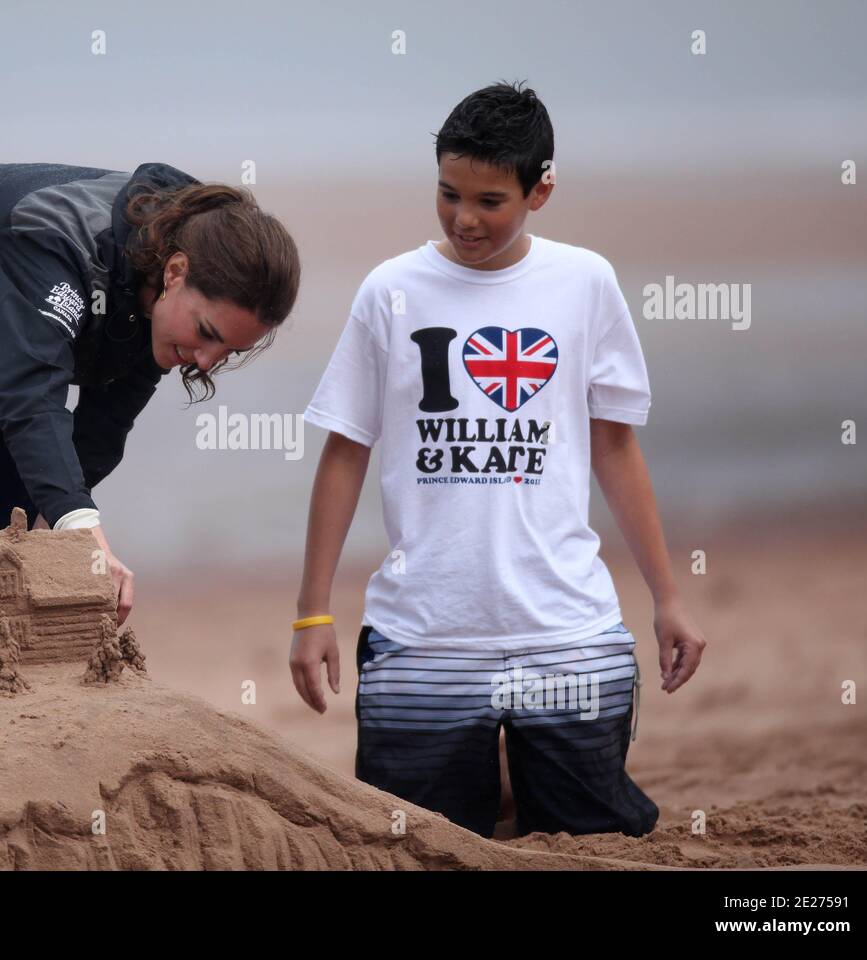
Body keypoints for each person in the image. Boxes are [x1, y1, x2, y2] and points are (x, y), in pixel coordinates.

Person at [290, 82, 707, 839]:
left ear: (540, 190)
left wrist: (667, 597)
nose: (463, 219)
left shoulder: (585, 283)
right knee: (416, 841)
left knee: (593, 837)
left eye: (490, 201)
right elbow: (346, 451)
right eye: (448, 194)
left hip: (567, 630)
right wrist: (312, 613)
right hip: (423, 640)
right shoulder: (391, 291)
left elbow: (615, 447)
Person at [0, 163, 300, 624]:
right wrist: (81, 529)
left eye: (228, 352)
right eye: (206, 332)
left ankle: (28, 687)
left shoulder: (173, 274)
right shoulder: (63, 240)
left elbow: (103, 429)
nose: (205, 360)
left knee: (30, 548)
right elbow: (33, 394)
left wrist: (58, 531)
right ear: (175, 271)